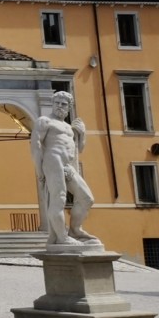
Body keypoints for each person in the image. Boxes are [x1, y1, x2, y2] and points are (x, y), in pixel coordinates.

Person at [30, 90, 99, 247]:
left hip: (68, 165)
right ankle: (61, 237)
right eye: (57, 103)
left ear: (69, 107)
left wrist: (82, 134)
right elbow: (35, 145)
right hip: (52, 161)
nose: (59, 106)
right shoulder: (44, 121)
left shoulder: (69, 127)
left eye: (63, 104)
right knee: (59, 199)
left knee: (87, 198)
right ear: (52, 105)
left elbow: (78, 149)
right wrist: (40, 171)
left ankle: (74, 230)